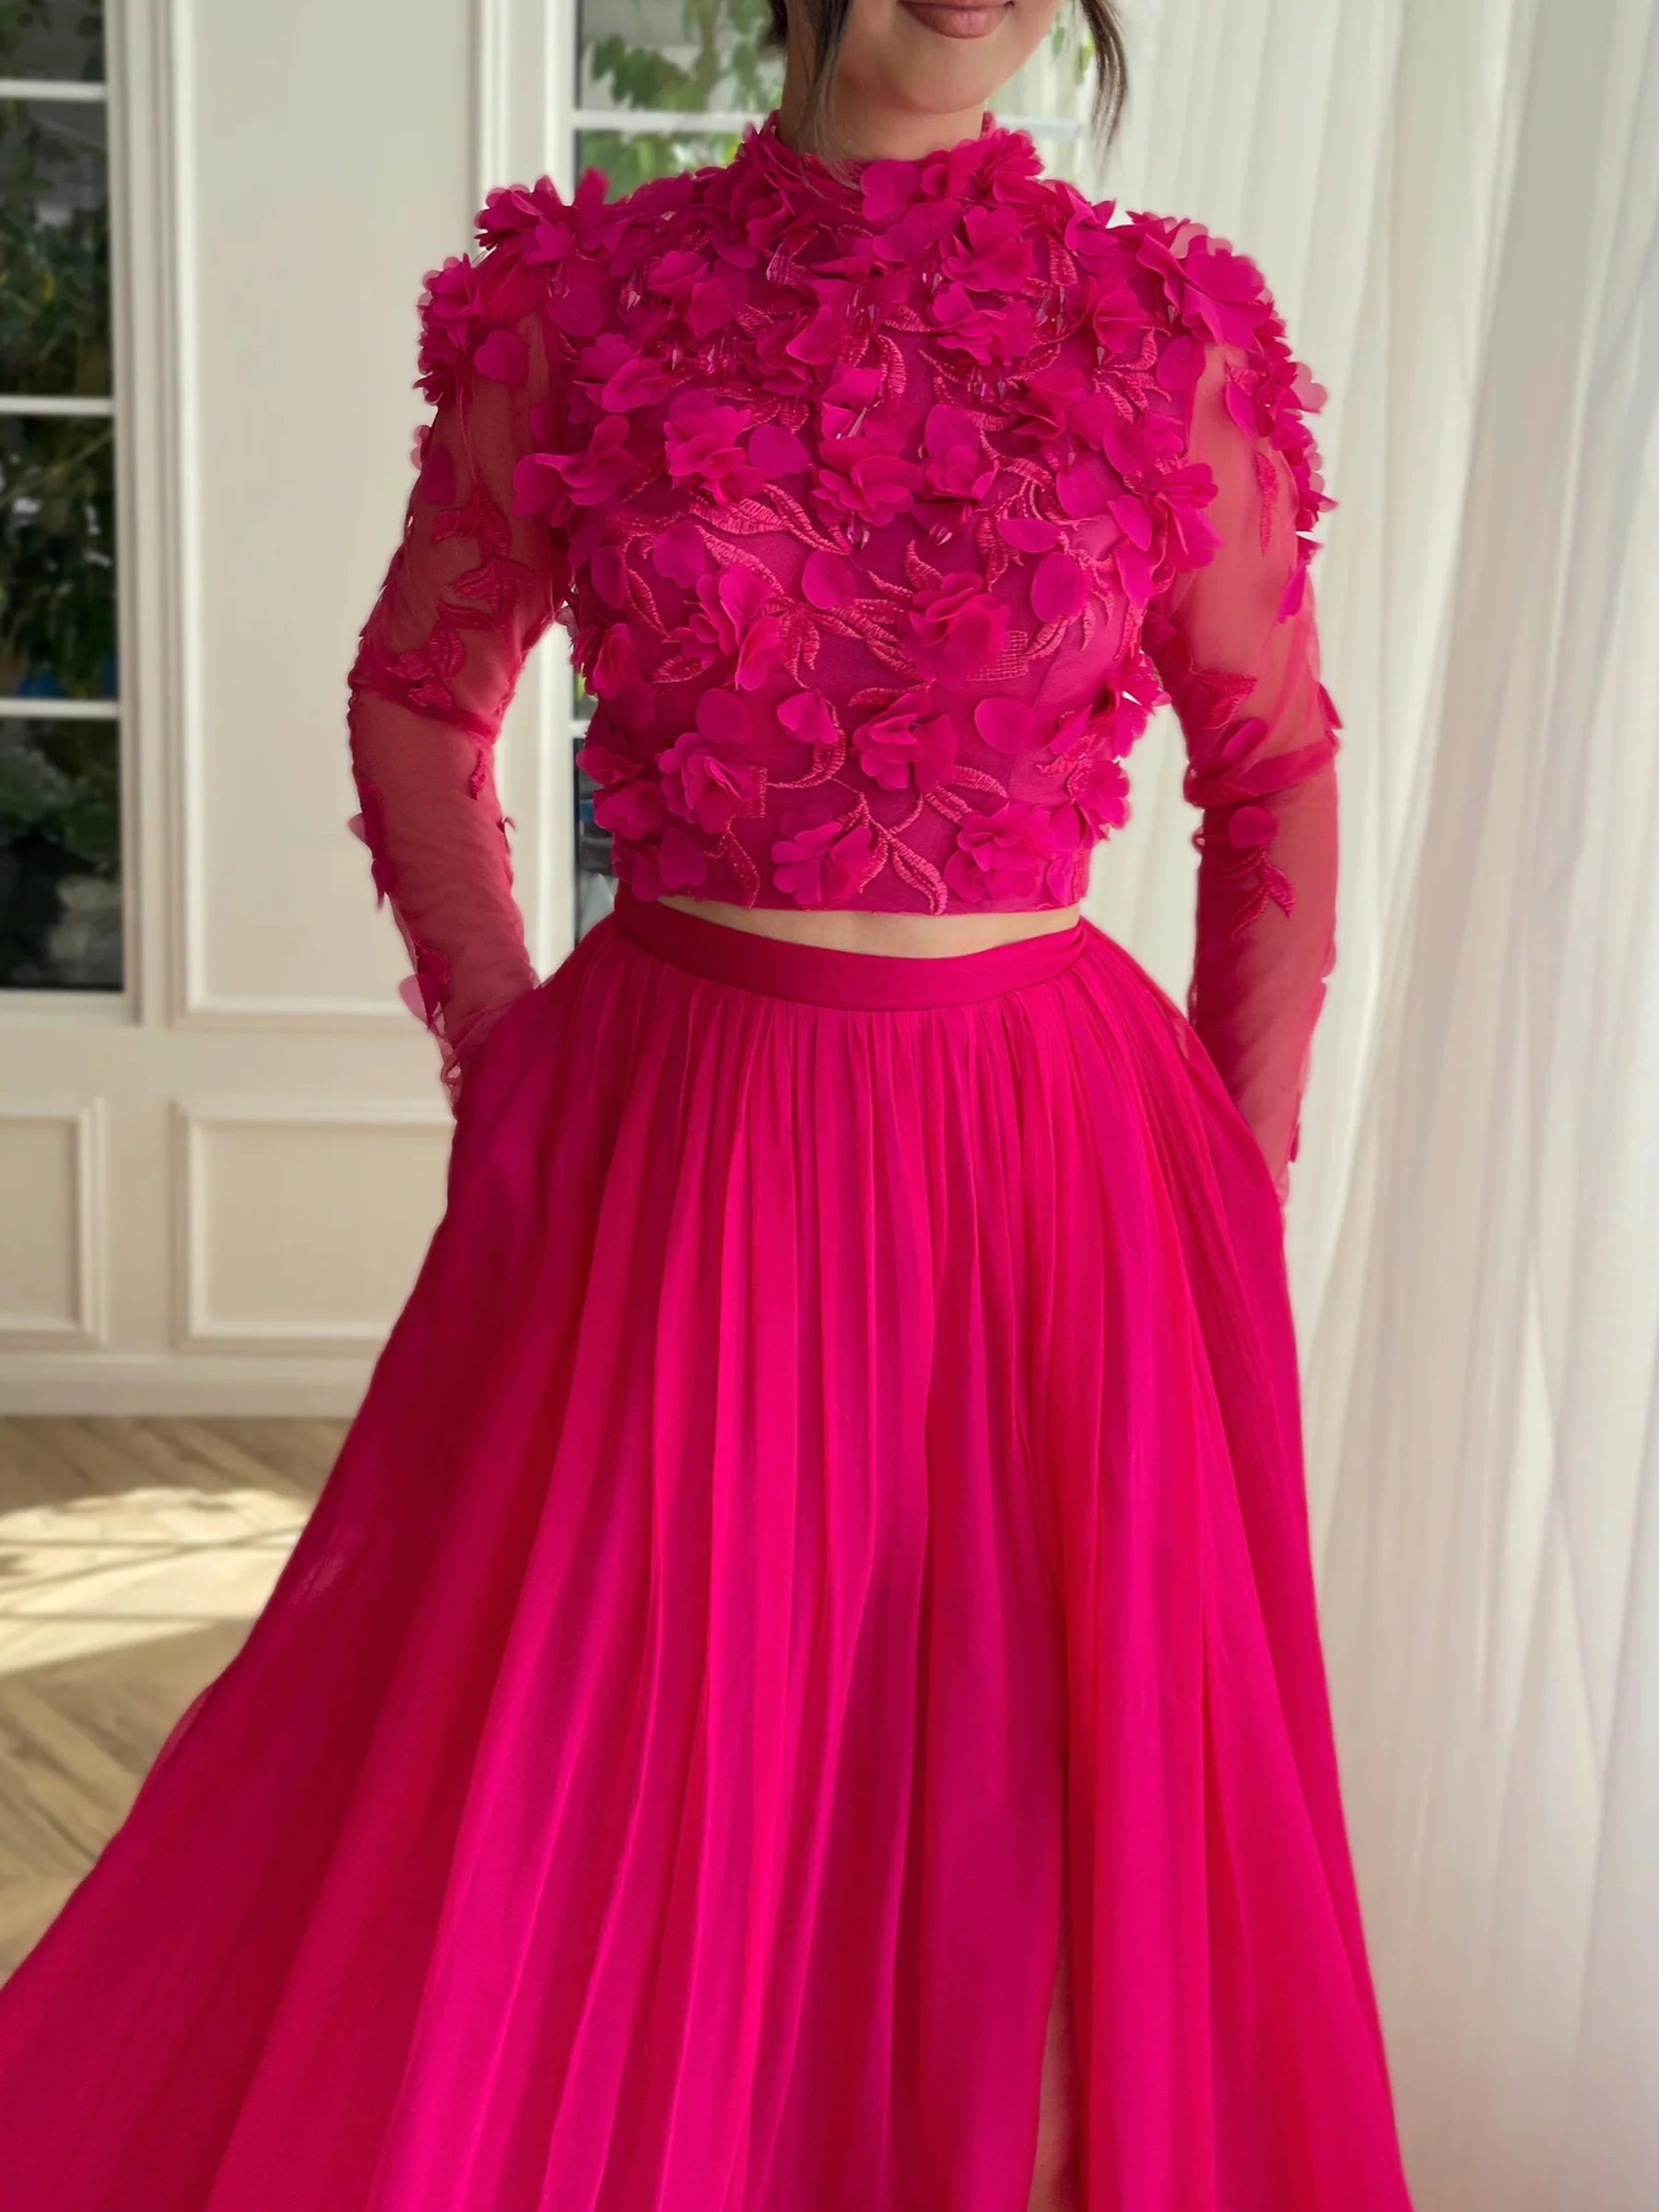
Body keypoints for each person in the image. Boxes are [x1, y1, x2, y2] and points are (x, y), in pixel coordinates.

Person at [0, 3, 1417, 2206]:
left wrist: (1228, 1175)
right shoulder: (585, 305)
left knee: (1036, 1844)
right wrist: (510, 1055)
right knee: (624, 1775)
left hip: (1050, 1176)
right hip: (681, 1135)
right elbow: (417, 698)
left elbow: (1279, 774)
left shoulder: (1162, 333)